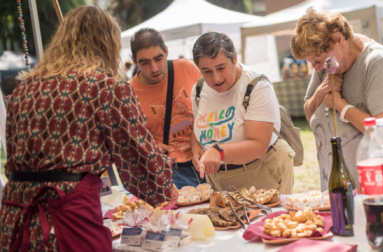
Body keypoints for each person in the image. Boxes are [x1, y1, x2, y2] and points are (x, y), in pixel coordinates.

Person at [0, 6, 176, 251]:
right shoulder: (105, 86)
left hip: (15, 216)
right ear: (107, 44)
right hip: (67, 217)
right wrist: (164, 188)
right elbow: (137, 152)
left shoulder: (23, 90)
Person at [290, 8, 383, 191]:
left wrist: (340, 106)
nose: (317, 67)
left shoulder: (377, 62)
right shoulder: (325, 66)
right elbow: (309, 114)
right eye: (312, 63)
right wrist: (321, 93)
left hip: (376, 190)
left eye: (318, 60)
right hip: (336, 189)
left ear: (339, 38)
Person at [191, 32, 295, 193]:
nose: (216, 78)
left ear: (234, 59)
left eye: (221, 68)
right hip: (218, 178)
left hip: (261, 172)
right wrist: (196, 145)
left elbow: (258, 146)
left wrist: (218, 151)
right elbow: (199, 121)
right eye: (207, 71)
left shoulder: (256, 86)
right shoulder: (198, 89)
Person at [129, 28, 206, 188]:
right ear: (134, 61)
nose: (154, 68)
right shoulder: (127, 93)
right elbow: (127, 142)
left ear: (166, 51)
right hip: (171, 172)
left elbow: (213, 105)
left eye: (159, 58)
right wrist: (146, 147)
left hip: (207, 162)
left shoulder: (188, 68)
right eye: (145, 63)